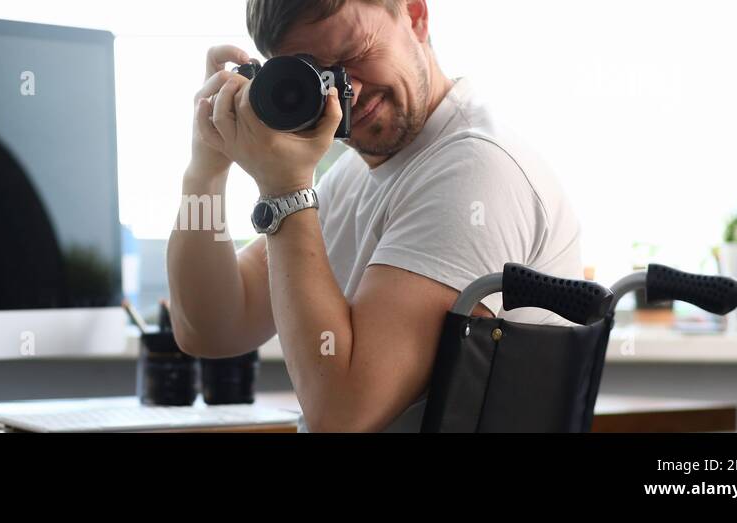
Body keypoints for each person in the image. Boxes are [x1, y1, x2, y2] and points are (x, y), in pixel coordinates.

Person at [166, 0, 582, 432]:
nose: (348, 91)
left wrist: (286, 192)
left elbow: (343, 416)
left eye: (355, 54)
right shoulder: (353, 174)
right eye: (317, 75)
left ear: (416, 15)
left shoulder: (472, 168)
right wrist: (206, 170)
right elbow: (211, 327)